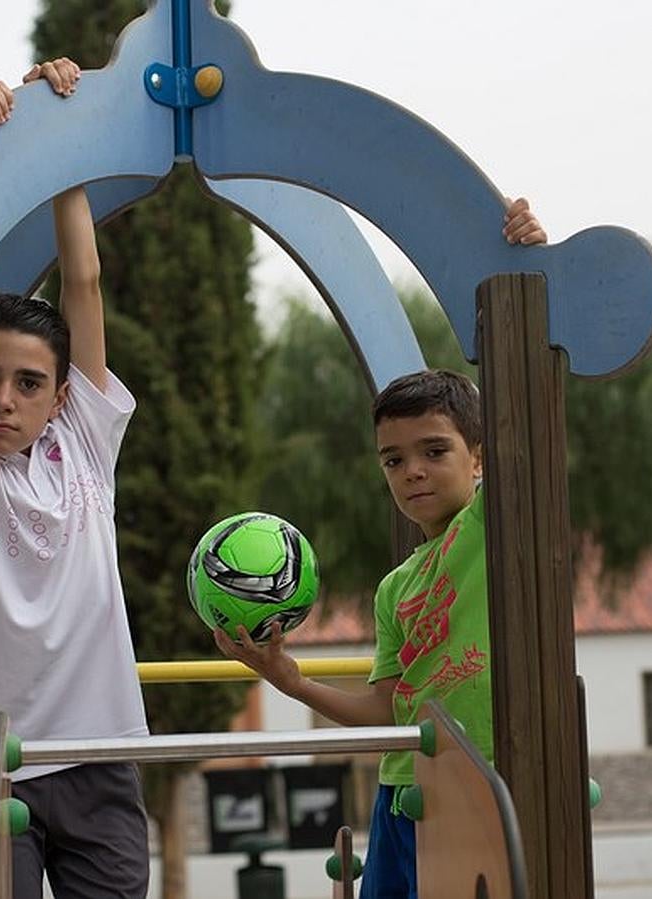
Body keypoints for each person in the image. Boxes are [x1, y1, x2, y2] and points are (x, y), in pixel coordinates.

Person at [214, 197, 546, 899]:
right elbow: (389, 706)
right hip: (403, 790)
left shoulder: (493, 526)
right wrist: (291, 681)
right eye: (394, 460)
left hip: (478, 785)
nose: (412, 470)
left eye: (434, 451)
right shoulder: (396, 587)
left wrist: (526, 269)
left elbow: (531, 408)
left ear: (479, 457)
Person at [0, 58, 149, 899]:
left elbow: (82, 280)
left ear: (61, 399)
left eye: (26, 384)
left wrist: (60, 148)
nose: (1, 399)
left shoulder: (84, 444)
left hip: (100, 749)